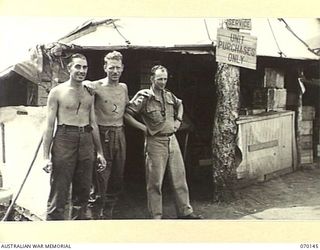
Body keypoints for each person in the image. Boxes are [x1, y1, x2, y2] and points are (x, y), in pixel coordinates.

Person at [125, 65, 203, 219]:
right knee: (155, 182)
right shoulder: (144, 96)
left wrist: (178, 120)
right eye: (159, 79)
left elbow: (180, 104)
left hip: (172, 140)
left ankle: (185, 212)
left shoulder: (168, 95)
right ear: (152, 79)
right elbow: (127, 114)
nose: (162, 82)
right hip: (155, 142)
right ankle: (156, 216)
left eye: (165, 79)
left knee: (179, 177)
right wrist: (143, 128)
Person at [42, 53, 106, 220]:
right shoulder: (57, 92)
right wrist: (45, 157)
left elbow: (93, 124)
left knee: (83, 191)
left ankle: (77, 234)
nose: (82, 70)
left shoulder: (89, 92)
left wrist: (99, 152)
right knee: (60, 190)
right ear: (69, 68)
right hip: (64, 138)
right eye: (78, 66)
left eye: (85, 67)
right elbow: (49, 126)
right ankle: (54, 235)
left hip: (86, 140)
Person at [85, 51, 129, 219]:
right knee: (100, 176)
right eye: (111, 68)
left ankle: (108, 214)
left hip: (120, 134)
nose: (115, 71)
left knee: (117, 177)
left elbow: (126, 107)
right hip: (102, 135)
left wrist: (142, 95)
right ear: (105, 67)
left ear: (122, 68)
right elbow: (83, 88)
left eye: (118, 68)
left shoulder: (123, 87)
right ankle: (95, 216)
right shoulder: (95, 86)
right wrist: (87, 82)